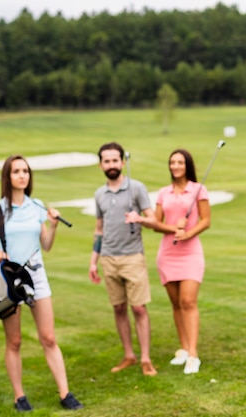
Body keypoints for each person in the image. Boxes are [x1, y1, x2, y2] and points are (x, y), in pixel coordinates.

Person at [0, 155, 83, 412]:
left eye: (26, 171)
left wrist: (52, 226)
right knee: (15, 341)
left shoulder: (37, 206)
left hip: (37, 277)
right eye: (17, 171)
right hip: (9, 279)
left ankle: (65, 393)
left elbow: (47, 245)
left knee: (49, 337)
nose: (22, 175)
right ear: (7, 176)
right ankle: (19, 396)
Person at [127, 149, 210, 375]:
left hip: (190, 253)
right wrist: (171, 228)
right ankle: (183, 348)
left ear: (187, 165)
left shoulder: (198, 190)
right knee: (175, 304)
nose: (175, 166)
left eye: (179, 162)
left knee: (188, 302)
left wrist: (189, 233)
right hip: (168, 254)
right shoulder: (164, 193)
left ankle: (193, 354)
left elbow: (206, 220)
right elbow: (156, 224)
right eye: (172, 162)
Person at [89, 142, 158, 377]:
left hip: (133, 257)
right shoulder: (99, 194)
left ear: (123, 162)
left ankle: (146, 358)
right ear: (101, 165)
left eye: (114, 160)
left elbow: (154, 219)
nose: (111, 165)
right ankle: (129, 354)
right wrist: (93, 260)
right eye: (106, 161)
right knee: (118, 308)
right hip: (108, 258)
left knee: (138, 308)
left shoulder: (137, 188)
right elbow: (99, 229)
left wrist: (139, 219)